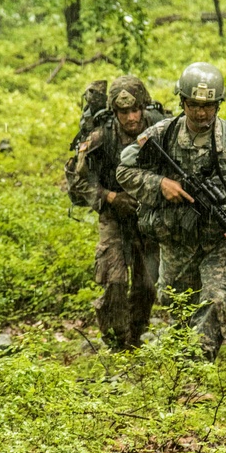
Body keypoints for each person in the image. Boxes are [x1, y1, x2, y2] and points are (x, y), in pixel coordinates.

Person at [117, 63, 226, 361]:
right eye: (194, 105)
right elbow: (125, 169)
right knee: (178, 306)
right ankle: (183, 367)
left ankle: (198, 368)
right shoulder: (162, 135)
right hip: (177, 239)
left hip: (219, 240)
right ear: (182, 102)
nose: (201, 113)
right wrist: (160, 183)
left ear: (218, 104)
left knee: (214, 301)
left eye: (208, 106)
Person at [70, 76, 166, 350]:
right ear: (115, 112)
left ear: (144, 108)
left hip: (148, 217)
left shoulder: (160, 130)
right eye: (124, 112)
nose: (131, 117)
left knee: (147, 286)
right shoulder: (102, 136)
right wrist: (110, 196)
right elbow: (77, 180)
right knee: (113, 280)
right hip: (113, 216)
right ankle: (116, 344)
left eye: (136, 110)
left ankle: (134, 338)